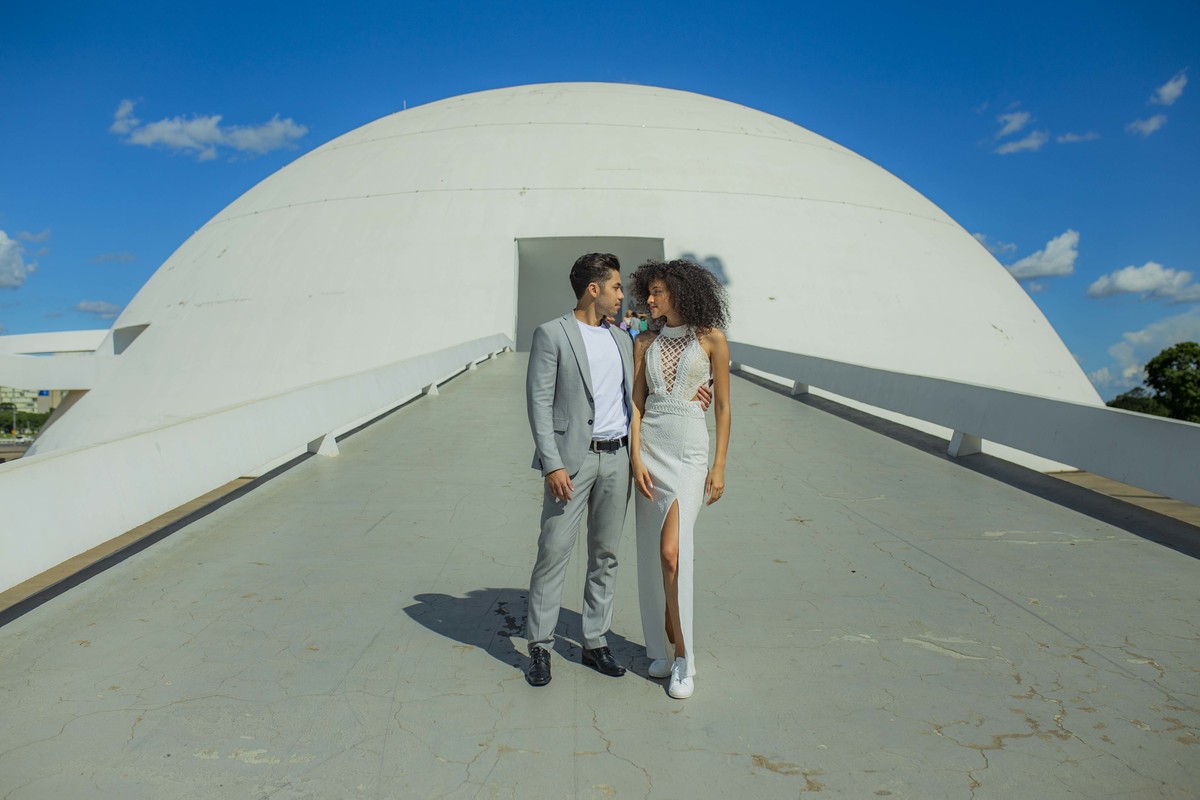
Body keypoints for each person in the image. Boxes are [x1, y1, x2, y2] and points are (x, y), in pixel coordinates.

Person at [524, 253, 635, 686]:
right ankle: (539, 646)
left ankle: (595, 641)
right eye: (616, 287)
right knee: (553, 551)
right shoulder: (552, 334)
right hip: (572, 462)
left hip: (618, 458)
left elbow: (637, 394)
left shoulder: (621, 338)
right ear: (594, 289)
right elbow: (538, 401)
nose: (622, 295)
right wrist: (552, 464)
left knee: (605, 555)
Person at [628, 259, 731, 699]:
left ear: (680, 292)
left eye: (657, 292)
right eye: (647, 292)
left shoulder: (712, 339)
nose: (649, 300)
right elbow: (636, 405)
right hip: (651, 450)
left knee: (673, 552)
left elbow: (723, 406)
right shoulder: (644, 341)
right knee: (652, 554)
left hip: (689, 453)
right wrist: (635, 457)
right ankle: (660, 645)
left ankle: (684, 657)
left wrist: (719, 465)